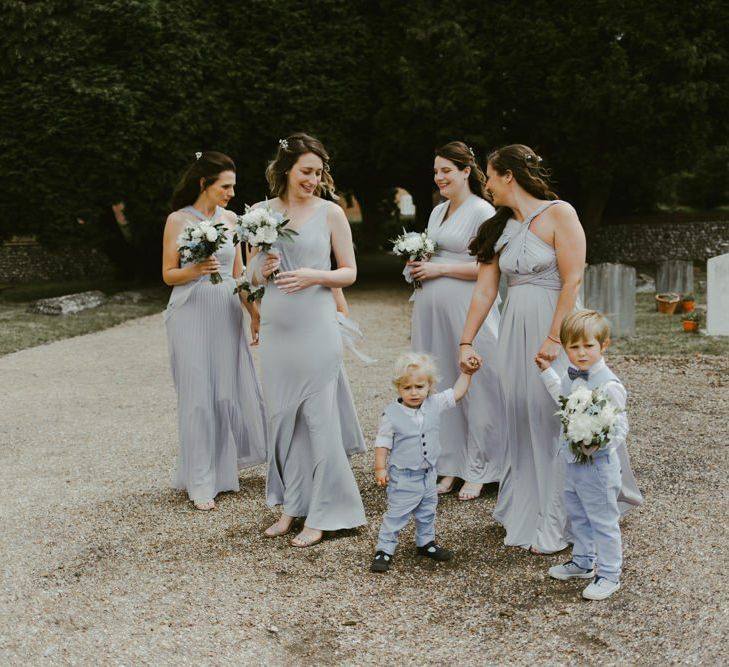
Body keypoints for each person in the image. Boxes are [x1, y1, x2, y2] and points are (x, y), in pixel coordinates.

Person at [458, 144, 585, 553]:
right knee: (522, 410)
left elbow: (572, 281)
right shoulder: (500, 227)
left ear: (508, 175)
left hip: (557, 325)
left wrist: (554, 338)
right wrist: (466, 340)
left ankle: (565, 513)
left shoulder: (559, 213)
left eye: (490, 176)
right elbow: (483, 293)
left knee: (557, 413)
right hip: (514, 330)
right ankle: (528, 506)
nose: (487, 184)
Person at [249, 133, 366, 547]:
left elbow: (350, 272)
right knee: (286, 419)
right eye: (305, 171)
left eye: (318, 172)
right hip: (278, 326)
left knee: (319, 419)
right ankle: (292, 506)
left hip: (317, 323)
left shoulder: (330, 213)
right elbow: (247, 276)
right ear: (285, 169)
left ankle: (327, 512)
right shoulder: (261, 212)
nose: (312, 179)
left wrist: (315, 274)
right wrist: (262, 267)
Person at [162, 151, 267, 511]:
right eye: (226, 186)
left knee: (224, 393)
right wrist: (196, 269)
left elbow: (237, 273)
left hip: (224, 310)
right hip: (190, 310)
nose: (231, 193)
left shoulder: (232, 220)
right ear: (204, 183)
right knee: (197, 394)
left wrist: (253, 311)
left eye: (233, 186)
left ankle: (224, 474)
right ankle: (200, 479)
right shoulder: (177, 220)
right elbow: (168, 274)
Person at [407, 141, 504, 501]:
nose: (439, 177)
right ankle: (450, 464)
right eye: (436, 171)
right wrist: (416, 265)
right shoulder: (437, 212)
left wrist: (439, 267)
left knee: (477, 385)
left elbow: (487, 267)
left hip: (467, 310)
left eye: (446, 170)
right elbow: (431, 253)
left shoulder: (483, 211)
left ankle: (481, 466)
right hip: (432, 310)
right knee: (441, 384)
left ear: (466, 171)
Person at [536, 310, 642, 600]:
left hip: (599, 465)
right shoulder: (572, 376)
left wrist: (598, 443)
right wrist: (546, 371)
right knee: (577, 513)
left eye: (588, 346)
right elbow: (563, 395)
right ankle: (583, 561)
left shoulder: (609, 384)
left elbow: (621, 427)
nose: (581, 353)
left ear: (603, 345)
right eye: (574, 347)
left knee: (603, 520)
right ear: (566, 348)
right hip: (572, 462)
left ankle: (609, 574)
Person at [370, 352, 478, 572]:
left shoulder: (434, 403)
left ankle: (425, 543)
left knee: (427, 510)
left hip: (428, 474)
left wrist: (467, 373)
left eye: (419, 386)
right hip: (404, 476)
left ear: (430, 386)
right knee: (397, 514)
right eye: (407, 387)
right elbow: (382, 442)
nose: (414, 392)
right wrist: (380, 467)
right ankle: (384, 549)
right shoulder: (392, 414)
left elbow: (457, 393)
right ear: (398, 387)